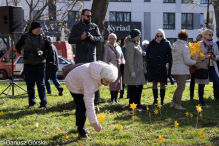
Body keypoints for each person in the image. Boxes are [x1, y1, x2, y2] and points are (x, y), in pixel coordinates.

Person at [65, 61, 118, 139]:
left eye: (110, 82)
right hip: (72, 82)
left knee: (81, 106)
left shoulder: (104, 70)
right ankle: (82, 133)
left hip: (80, 79)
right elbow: (89, 103)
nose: (108, 84)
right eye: (107, 81)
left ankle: (79, 126)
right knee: (82, 107)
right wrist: (95, 123)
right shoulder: (91, 80)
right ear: (102, 76)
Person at [68, 9, 102, 105]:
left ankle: (94, 100)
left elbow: (100, 39)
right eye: (87, 16)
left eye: (90, 16)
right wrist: (80, 38)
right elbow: (70, 40)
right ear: (82, 16)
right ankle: (80, 100)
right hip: (80, 57)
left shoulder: (94, 27)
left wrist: (92, 38)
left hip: (91, 56)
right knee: (80, 78)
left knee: (94, 77)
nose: (89, 18)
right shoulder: (76, 27)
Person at [15, 22, 52, 109]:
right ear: (33, 29)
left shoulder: (43, 37)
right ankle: (32, 103)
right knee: (30, 84)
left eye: (40, 28)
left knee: (41, 84)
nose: (40, 29)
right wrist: (21, 50)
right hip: (28, 64)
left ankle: (43, 103)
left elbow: (49, 48)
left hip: (40, 64)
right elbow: (17, 46)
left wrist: (43, 52)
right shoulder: (25, 36)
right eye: (38, 28)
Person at [170, 30, 197, 110]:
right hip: (181, 71)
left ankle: (173, 103)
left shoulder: (175, 45)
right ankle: (178, 104)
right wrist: (195, 62)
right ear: (186, 38)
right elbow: (187, 61)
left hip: (175, 69)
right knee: (181, 88)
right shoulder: (184, 47)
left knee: (179, 87)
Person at [146, 29, 172, 105]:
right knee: (154, 83)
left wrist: (165, 61)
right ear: (155, 36)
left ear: (163, 36)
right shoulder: (152, 43)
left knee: (162, 83)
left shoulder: (167, 43)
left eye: (161, 35)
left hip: (162, 66)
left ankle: (162, 100)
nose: (159, 37)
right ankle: (155, 100)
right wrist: (149, 61)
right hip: (153, 66)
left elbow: (170, 54)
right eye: (158, 35)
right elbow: (147, 53)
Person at [124, 29, 147, 109]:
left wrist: (142, 54)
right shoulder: (130, 44)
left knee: (140, 86)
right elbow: (130, 59)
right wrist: (132, 71)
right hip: (134, 70)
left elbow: (136, 55)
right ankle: (132, 104)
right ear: (134, 36)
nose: (140, 36)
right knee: (133, 87)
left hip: (139, 70)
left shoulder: (136, 43)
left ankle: (137, 102)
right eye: (138, 35)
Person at [196, 29, 219, 106]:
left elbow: (218, 55)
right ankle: (201, 101)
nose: (211, 36)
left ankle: (217, 97)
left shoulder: (214, 44)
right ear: (204, 35)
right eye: (209, 35)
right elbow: (196, 56)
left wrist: (214, 56)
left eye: (212, 35)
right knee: (201, 85)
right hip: (202, 67)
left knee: (217, 82)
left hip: (212, 67)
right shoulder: (199, 44)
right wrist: (205, 56)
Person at [103, 33, 125, 103]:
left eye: (113, 38)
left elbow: (122, 57)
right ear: (108, 39)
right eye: (110, 38)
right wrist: (106, 67)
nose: (112, 40)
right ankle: (112, 98)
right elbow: (105, 58)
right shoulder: (106, 47)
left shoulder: (118, 47)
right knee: (112, 83)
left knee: (118, 83)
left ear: (116, 39)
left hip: (118, 67)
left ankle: (116, 98)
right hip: (111, 68)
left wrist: (123, 63)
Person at [189, 33, 203, 101]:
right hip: (195, 66)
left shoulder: (193, 45)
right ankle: (193, 96)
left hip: (195, 66)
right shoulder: (197, 45)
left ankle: (192, 96)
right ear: (200, 38)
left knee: (194, 82)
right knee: (196, 82)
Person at [213, 31, 219, 101]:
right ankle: (216, 96)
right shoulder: (215, 44)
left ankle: (216, 96)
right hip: (217, 64)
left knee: (216, 80)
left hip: (217, 65)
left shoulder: (215, 44)